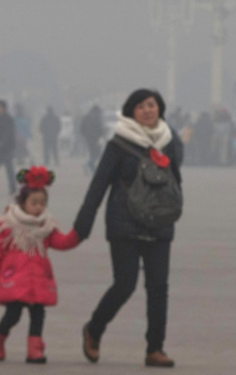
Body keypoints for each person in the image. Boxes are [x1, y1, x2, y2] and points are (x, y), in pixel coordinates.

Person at [75, 88, 182, 369]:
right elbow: (98, 185)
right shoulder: (119, 145)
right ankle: (94, 329)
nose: (148, 110)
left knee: (158, 287)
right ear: (130, 112)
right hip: (124, 223)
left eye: (152, 105)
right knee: (125, 284)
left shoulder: (168, 142)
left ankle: (155, 349)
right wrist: (82, 224)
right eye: (140, 106)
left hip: (159, 224)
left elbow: (175, 182)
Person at [0, 166, 80, 364]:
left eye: (42, 203)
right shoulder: (9, 225)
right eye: (34, 203)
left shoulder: (46, 227)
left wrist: (77, 235)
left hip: (38, 279)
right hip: (15, 279)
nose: (39, 207)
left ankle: (34, 350)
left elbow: (60, 242)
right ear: (23, 202)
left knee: (38, 314)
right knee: (13, 314)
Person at [79, 104, 105, 173]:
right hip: (96, 138)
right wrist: (102, 134)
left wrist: (85, 135)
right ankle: (88, 165)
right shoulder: (97, 117)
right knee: (97, 153)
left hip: (88, 138)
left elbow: (81, 128)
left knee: (92, 153)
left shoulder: (86, 117)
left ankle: (90, 167)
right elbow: (100, 127)